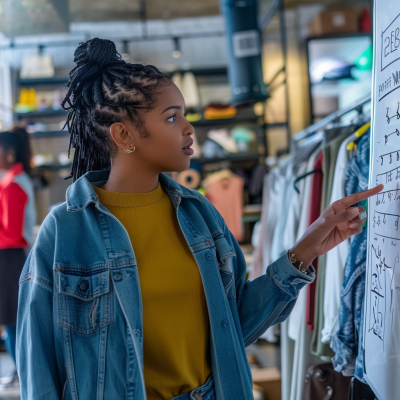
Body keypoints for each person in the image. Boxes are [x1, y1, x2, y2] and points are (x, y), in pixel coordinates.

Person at [16, 38, 383, 400]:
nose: (189, 128)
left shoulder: (199, 214)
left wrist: (307, 247)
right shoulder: (65, 231)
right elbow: (38, 365)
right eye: (172, 117)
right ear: (124, 134)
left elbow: (235, 324)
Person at [0, 127, 36, 391]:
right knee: (12, 324)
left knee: (12, 323)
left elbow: (12, 234)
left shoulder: (13, 184)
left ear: (9, 153)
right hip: (10, 258)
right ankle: (21, 372)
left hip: (10, 259)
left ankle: (24, 374)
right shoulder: (13, 180)